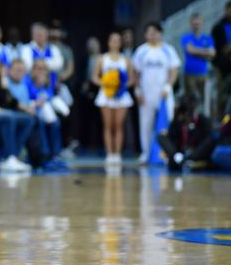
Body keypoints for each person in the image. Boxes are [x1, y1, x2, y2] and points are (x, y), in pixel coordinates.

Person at [133, 22, 180, 165]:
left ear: (160, 33)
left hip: (164, 95)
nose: (152, 35)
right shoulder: (141, 51)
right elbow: (136, 72)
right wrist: (138, 90)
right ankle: (145, 154)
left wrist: (168, 87)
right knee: (145, 125)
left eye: (155, 32)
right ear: (145, 35)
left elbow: (174, 70)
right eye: (149, 32)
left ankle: (166, 154)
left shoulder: (168, 50)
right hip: (147, 95)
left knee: (167, 125)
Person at [91, 32, 135, 165]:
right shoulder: (102, 59)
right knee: (108, 125)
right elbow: (94, 77)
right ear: (108, 42)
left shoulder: (125, 60)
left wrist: (120, 86)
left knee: (118, 125)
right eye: (112, 40)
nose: (115, 43)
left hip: (121, 96)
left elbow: (132, 79)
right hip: (106, 95)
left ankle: (117, 154)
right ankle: (109, 154)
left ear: (120, 43)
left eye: (117, 40)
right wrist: (106, 84)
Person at [157, 94, 215, 171]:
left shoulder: (203, 120)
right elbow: (171, 138)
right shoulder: (177, 121)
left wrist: (192, 128)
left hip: (196, 153)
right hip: (179, 153)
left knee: (212, 138)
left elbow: (208, 139)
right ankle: (178, 158)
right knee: (161, 136)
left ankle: (188, 159)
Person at [181, 13, 215, 111]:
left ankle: (208, 124)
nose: (196, 24)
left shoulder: (207, 38)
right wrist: (205, 52)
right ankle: (191, 123)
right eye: (194, 22)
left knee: (207, 100)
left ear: (202, 23)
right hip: (189, 74)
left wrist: (196, 51)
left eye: (198, 22)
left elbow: (212, 54)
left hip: (204, 73)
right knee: (191, 101)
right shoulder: (186, 37)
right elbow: (189, 50)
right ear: (190, 23)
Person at [211, 1, 231, 118]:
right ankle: (221, 121)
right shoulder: (218, 27)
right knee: (222, 97)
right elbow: (217, 50)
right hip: (222, 68)